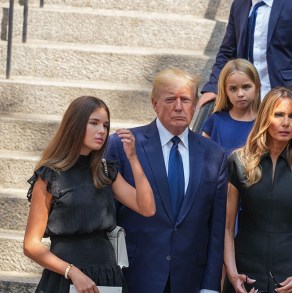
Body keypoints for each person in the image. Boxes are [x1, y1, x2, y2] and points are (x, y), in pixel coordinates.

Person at [106, 68, 228, 293]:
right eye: (170, 99)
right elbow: (106, 216)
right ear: (154, 104)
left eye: (186, 100)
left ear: (196, 104)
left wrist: (210, 287)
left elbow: (216, 227)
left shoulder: (215, 154)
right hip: (134, 275)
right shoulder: (122, 146)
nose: (179, 107)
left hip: (190, 279)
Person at [23, 96, 156, 293]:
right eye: (94, 123)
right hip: (65, 278)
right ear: (75, 125)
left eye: (105, 125)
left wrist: (133, 158)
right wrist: (72, 272)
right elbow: (31, 245)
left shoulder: (105, 171)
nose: (102, 131)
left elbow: (147, 208)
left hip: (108, 277)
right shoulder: (49, 176)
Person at [223, 87, 292, 293]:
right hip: (246, 270)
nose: (286, 122)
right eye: (278, 115)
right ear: (265, 118)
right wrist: (232, 272)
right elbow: (226, 227)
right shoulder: (239, 162)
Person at [198, 0, 292, 107]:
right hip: (246, 99)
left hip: (282, 95)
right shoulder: (238, 4)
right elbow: (227, 52)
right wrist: (212, 87)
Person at [202, 59, 261, 155]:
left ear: (257, 87)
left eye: (246, 87)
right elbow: (201, 155)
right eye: (233, 89)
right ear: (225, 91)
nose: (240, 94)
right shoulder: (216, 121)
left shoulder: (264, 123)